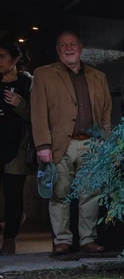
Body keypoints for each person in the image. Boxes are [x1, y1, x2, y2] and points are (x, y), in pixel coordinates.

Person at [31, 30, 111, 255]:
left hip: (92, 144)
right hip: (58, 145)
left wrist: (104, 141)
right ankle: (62, 240)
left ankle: (88, 239)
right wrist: (42, 145)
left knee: (91, 193)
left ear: (80, 47)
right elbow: (37, 112)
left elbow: (106, 113)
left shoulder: (98, 76)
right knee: (59, 194)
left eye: (72, 44)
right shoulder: (43, 74)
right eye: (63, 45)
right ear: (57, 50)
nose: (69, 48)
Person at [0, 41, 34, 254]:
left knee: (12, 195)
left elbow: (38, 115)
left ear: (15, 59)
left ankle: (9, 239)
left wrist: (19, 104)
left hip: (17, 150)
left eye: (2, 56)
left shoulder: (27, 83)